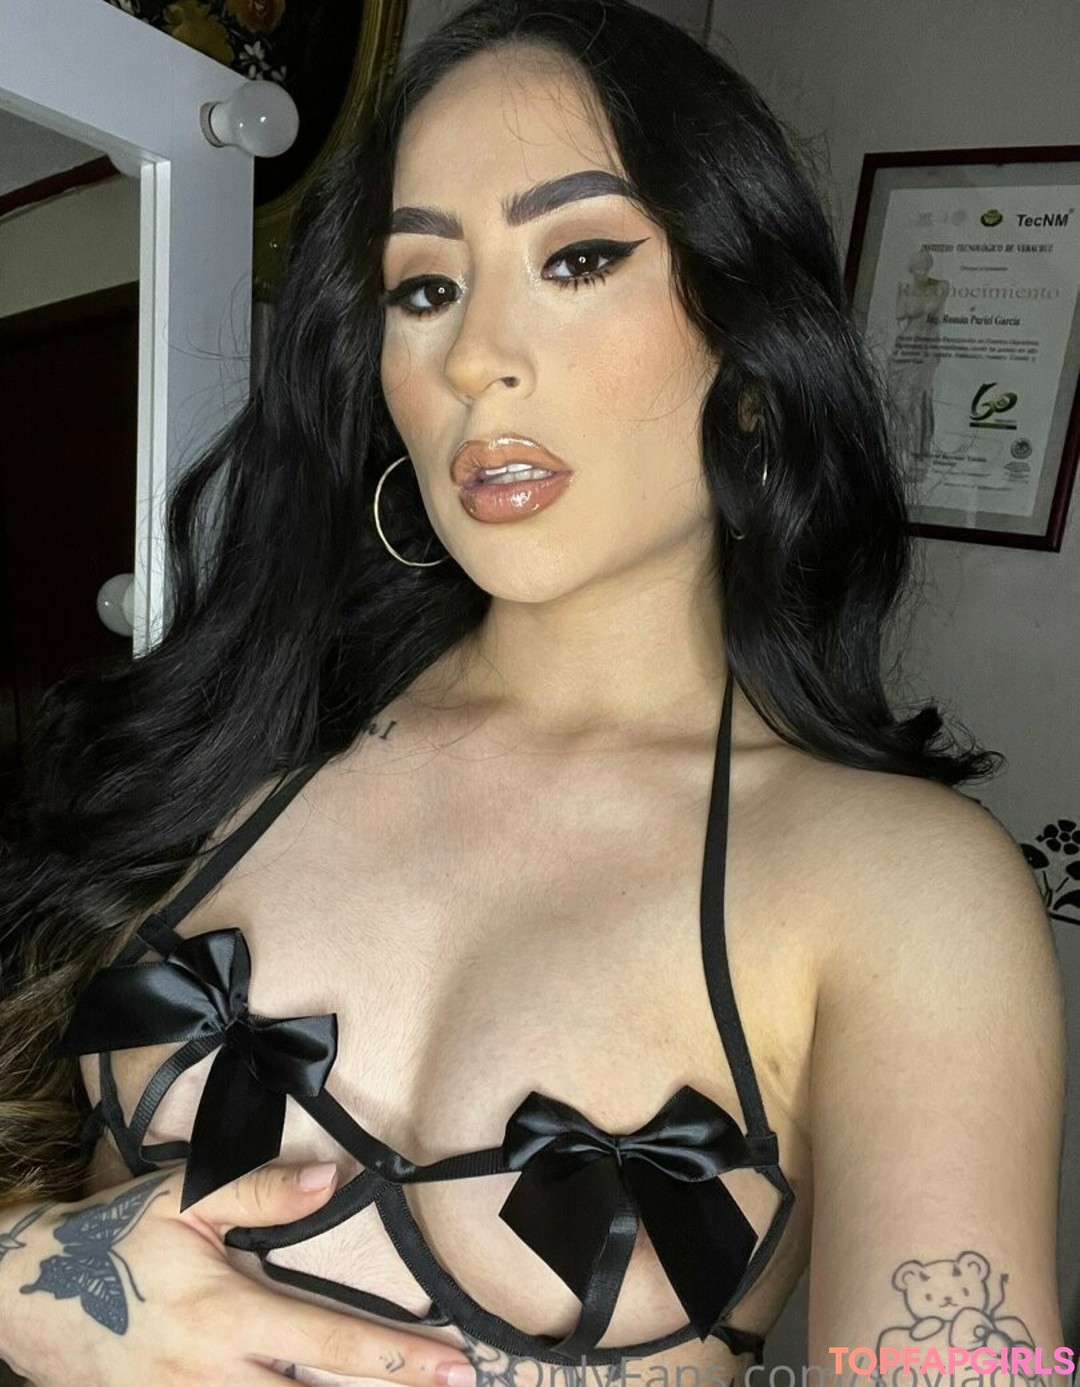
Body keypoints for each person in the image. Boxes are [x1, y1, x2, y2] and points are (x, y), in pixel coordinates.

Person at [0, 1, 1066, 1385]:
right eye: (424, 287)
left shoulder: (904, 892)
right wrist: (24, 1281)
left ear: (751, 350)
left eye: (578, 257)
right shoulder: (238, 731)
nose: (473, 356)